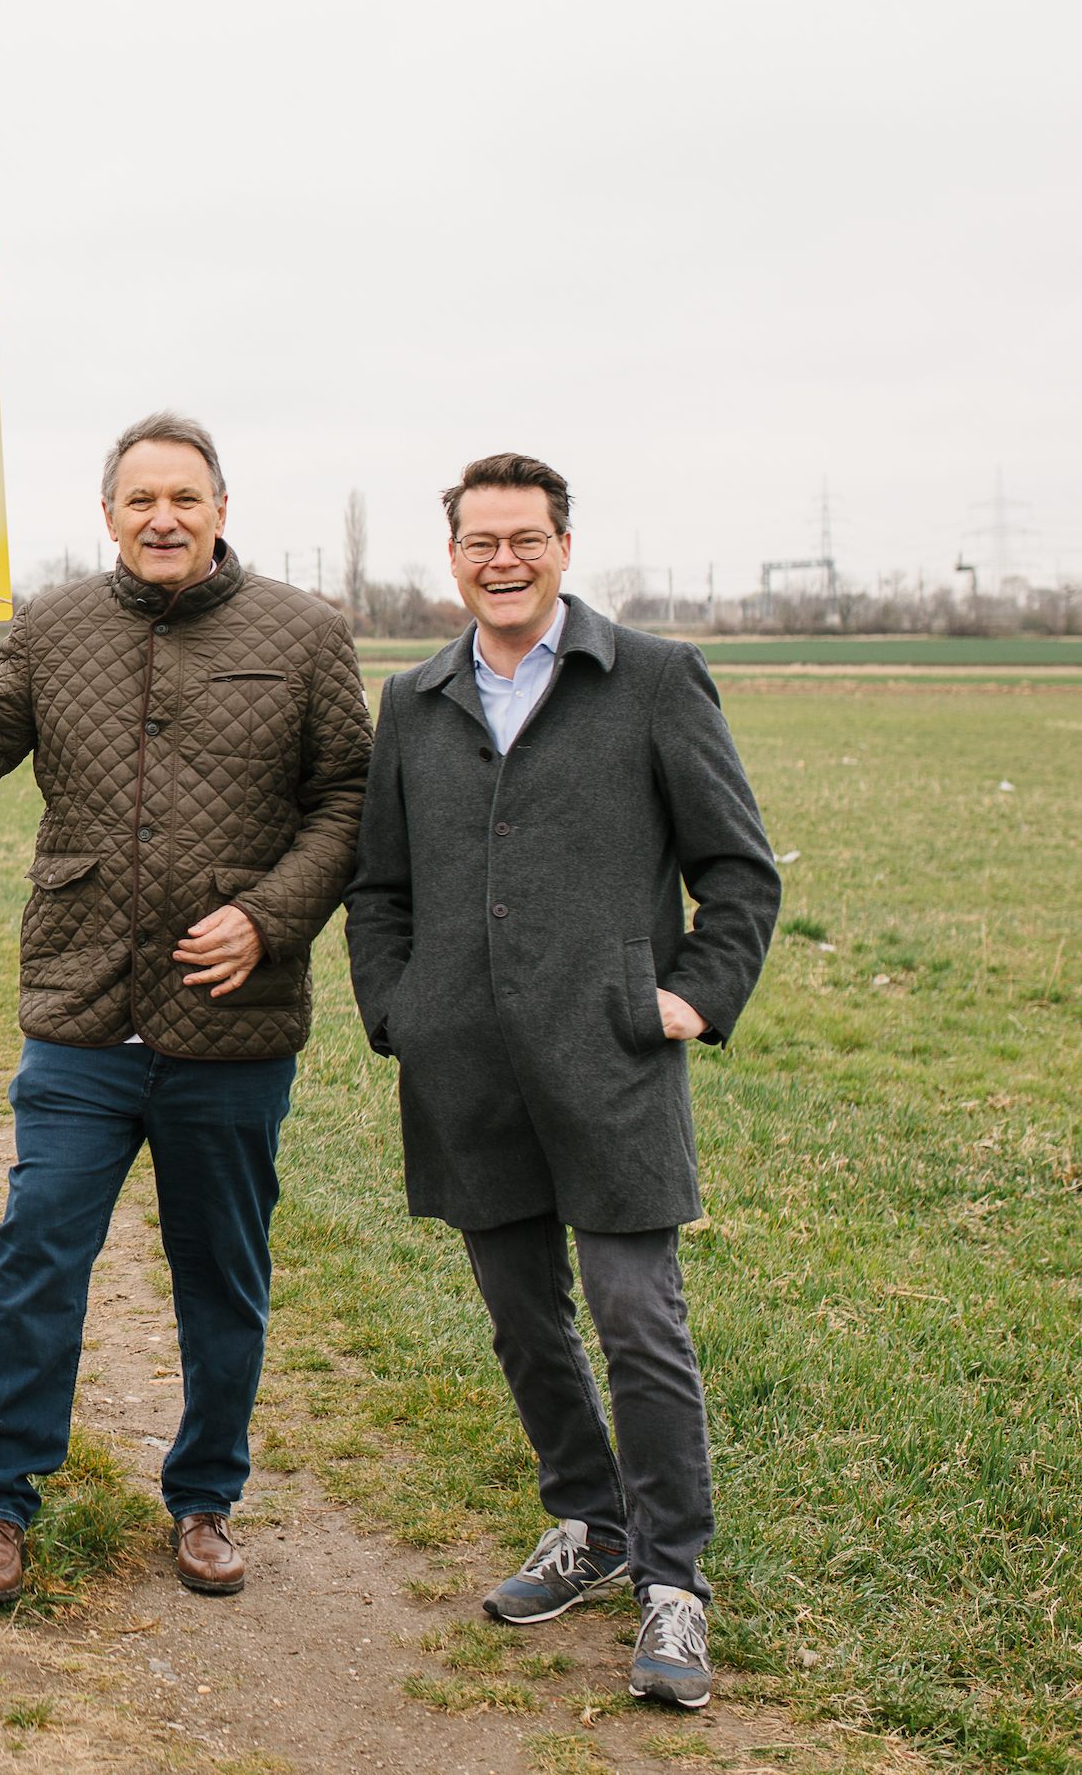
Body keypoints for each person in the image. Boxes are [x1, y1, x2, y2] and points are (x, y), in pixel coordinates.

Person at [0, 411, 371, 1605]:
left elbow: (349, 799)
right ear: (107, 515)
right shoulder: (53, 626)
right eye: (138, 499)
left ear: (220, 509)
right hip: (81, 1007)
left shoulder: (306, 634)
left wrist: (269, 916)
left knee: (222, 1270)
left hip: (231, 1018)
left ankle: (205, 1497)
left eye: (185, 498)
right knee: (34, 1257)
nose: (162, 518)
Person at [343, 452, 779, 1709]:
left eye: (523, 538)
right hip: (464, 1072)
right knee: (524, 1319)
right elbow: (380, 888)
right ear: (453, 558)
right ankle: (586, 1527)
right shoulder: (413, 700)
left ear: (562, 546)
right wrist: (399, 1011)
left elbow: (737, 871)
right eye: (479, 541)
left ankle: (672, 1582)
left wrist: (691, 995)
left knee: (636, 1319)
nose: (502, 560)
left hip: (610, 1063)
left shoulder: (648, 679)